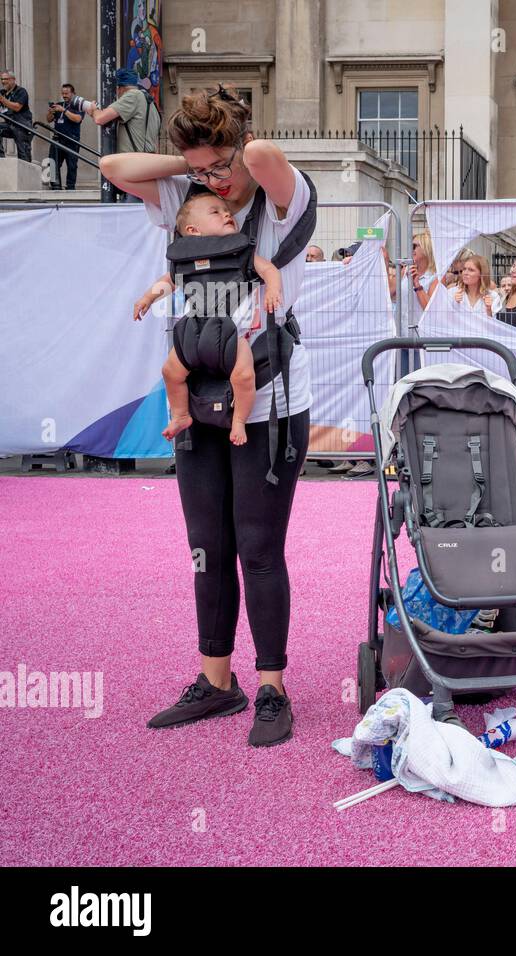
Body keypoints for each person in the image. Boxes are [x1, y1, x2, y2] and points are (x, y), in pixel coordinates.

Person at [101, 83, 313, 747]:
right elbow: (114, 168)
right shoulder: (185, 199)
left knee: (258, 546)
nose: (217, 183)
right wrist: (192, 167)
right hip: (196, 401)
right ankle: (216, 683)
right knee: (207, 548)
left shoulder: (280, 204)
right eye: (203, 170)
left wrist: (235, 154)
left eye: (222, 167)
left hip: (269, 402)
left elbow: (267, 156)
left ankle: (273, 686)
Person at [131, 192, 283, 446]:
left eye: (227, 211)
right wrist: (148, 298)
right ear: (193, 230)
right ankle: (181, 415)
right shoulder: (185, 259)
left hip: (233, 335)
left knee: (244, 377)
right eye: (216, 212)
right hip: (195, 331)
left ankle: (239, 421)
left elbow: (268, 269)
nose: (226, 214)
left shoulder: (241, 253)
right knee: (170, 371)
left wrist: (274, 290)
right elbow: (168, 281)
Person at [89, 68, 161, 158]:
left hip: (134, 161)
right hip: (148, 159)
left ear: (121, 88)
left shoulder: (132, 96)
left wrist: (94, 109)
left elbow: (99, 119)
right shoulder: (149, 100)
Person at [45, 84, 83, 189]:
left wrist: (64, 111)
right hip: (57, 139)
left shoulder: (78, 105)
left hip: (72, 140)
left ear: (73, 93)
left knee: (72, 165)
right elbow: (48, 120)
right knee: (52, 164)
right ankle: (55, 186)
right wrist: (51, 112)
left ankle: (70, 187)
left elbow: (77, 119)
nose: (64, 95)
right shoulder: (59, 104)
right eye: (63, 93)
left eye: (66, 93)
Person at [450, 252, 497, 319]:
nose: (465, 273)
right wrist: (455, 304)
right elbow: (446, 322)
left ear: (481, 274)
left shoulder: (493, 296)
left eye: (471, 270)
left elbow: (494, 327)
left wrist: (489, 310)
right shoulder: (452, 292)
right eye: (464, 269)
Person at [0, 71, 33, 162]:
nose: (3, 81)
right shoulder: (2, 93)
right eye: (2, 79)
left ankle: (27, 174)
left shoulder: (21, 91)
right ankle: (1, 159)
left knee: (23, 153)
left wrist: (2, 100)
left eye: (6, 79)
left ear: (13, 80)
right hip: (9, 124)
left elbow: (17, 107)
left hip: (22, 125)